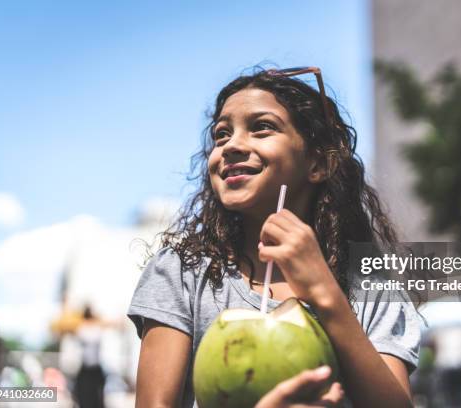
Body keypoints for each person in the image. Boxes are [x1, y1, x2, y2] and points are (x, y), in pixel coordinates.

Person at [127, 66, 421, 407]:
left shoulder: (369, 287)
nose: (232, 145)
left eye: (262, 128)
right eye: (221, 134)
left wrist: (326, 295)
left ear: (317, 164)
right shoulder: (182, 273)